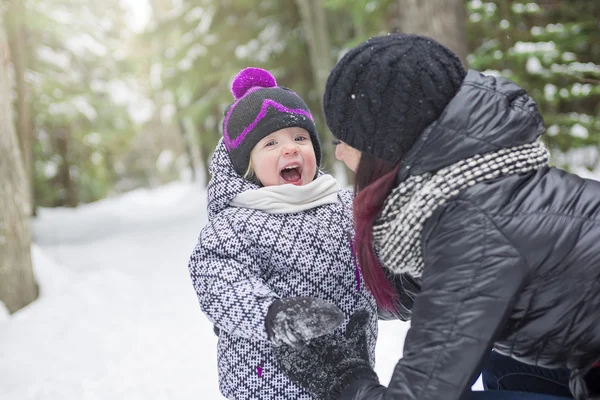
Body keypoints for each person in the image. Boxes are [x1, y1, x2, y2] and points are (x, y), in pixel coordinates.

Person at [273, 33, 600, 400]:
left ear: (388, 145)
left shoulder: (474, 232)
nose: (343, 155)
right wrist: (347, 293)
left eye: (347, 140)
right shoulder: (486, 179)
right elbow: (450, 296)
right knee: (500, 363)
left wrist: (342, 377)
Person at [187, 67, 380, 400]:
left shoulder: (345, 206)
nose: (290, 149)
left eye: (300, 138)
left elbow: (379, 251)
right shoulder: (234, 225)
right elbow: (218, 282)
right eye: (271, 143)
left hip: (349, 372)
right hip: (267, 379)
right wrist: (271, 316)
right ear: (247, 163)